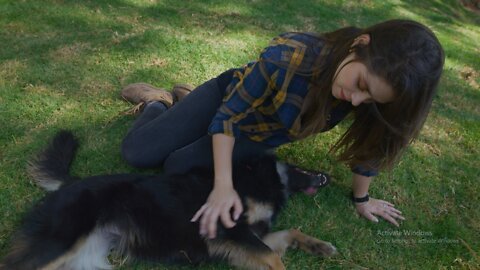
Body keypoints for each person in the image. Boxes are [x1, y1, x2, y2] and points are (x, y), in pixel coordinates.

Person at [120, 19, 445, 239]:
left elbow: (373, 147)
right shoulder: (289, 55)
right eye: (360, 84)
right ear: (359, 44)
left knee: (177, 165)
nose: (357, 100)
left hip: (258, 134)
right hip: (229, 100)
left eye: (370, 97)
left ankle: (183, 104)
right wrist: (222, 186)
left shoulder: (367, 94)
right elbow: (229, 116)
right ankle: (159, 102)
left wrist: (362, 199)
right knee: (137, 153)